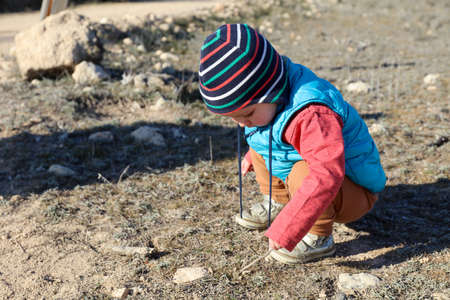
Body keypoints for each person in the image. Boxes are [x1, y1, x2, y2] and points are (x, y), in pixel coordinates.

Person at [198, 24, 386, 264]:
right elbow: (268, 134)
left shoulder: (312, 115)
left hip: (352, 190)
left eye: (248, 114)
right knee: (259, 145)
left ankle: (318, 237)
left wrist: (289, 227)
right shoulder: (272, 102)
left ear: (272, 91)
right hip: (312, 170)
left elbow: (326, 174)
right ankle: (279, 201)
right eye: (234, 118)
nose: (242, 124)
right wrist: (252, 155)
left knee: (304, 172)